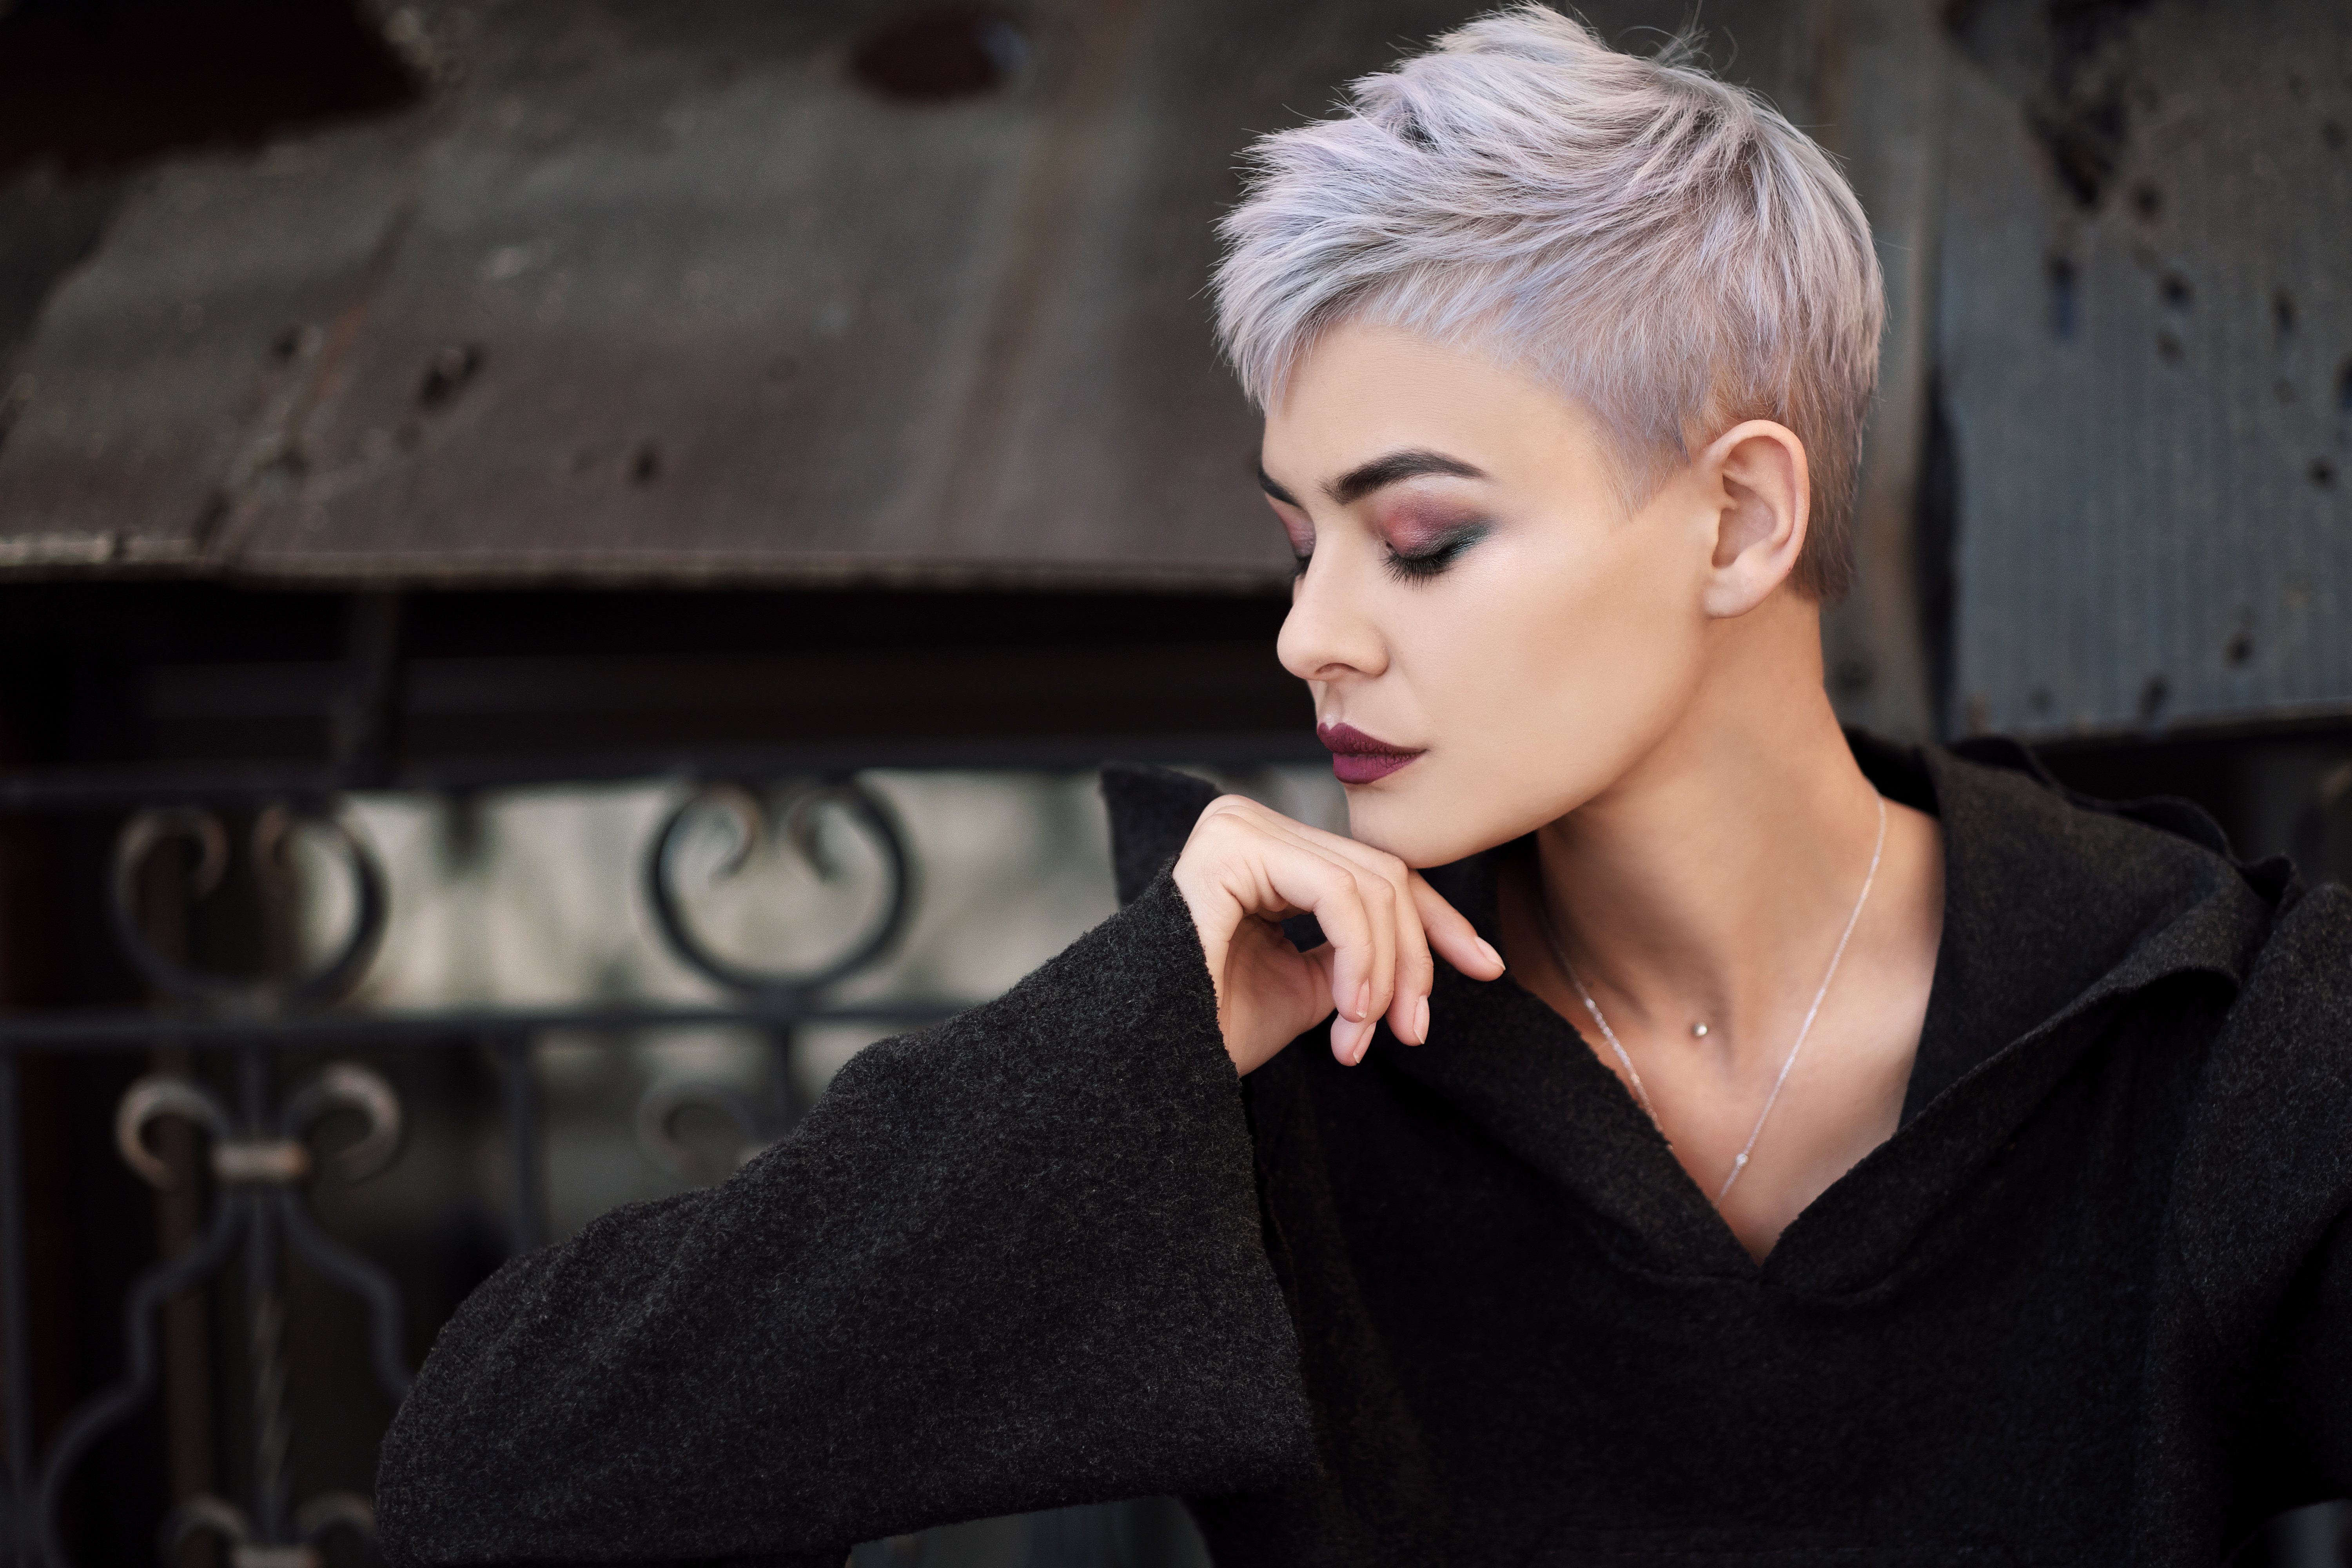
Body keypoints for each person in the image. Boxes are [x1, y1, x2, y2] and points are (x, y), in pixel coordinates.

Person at [377, 9, 2352, 1565]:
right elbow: (501, 1490)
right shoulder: (1302, 1075)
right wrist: (1124, 1034)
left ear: (1743, 517)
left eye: (1413, 538)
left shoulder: (2187, 1024)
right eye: (1293, 542)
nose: (1310, 634)